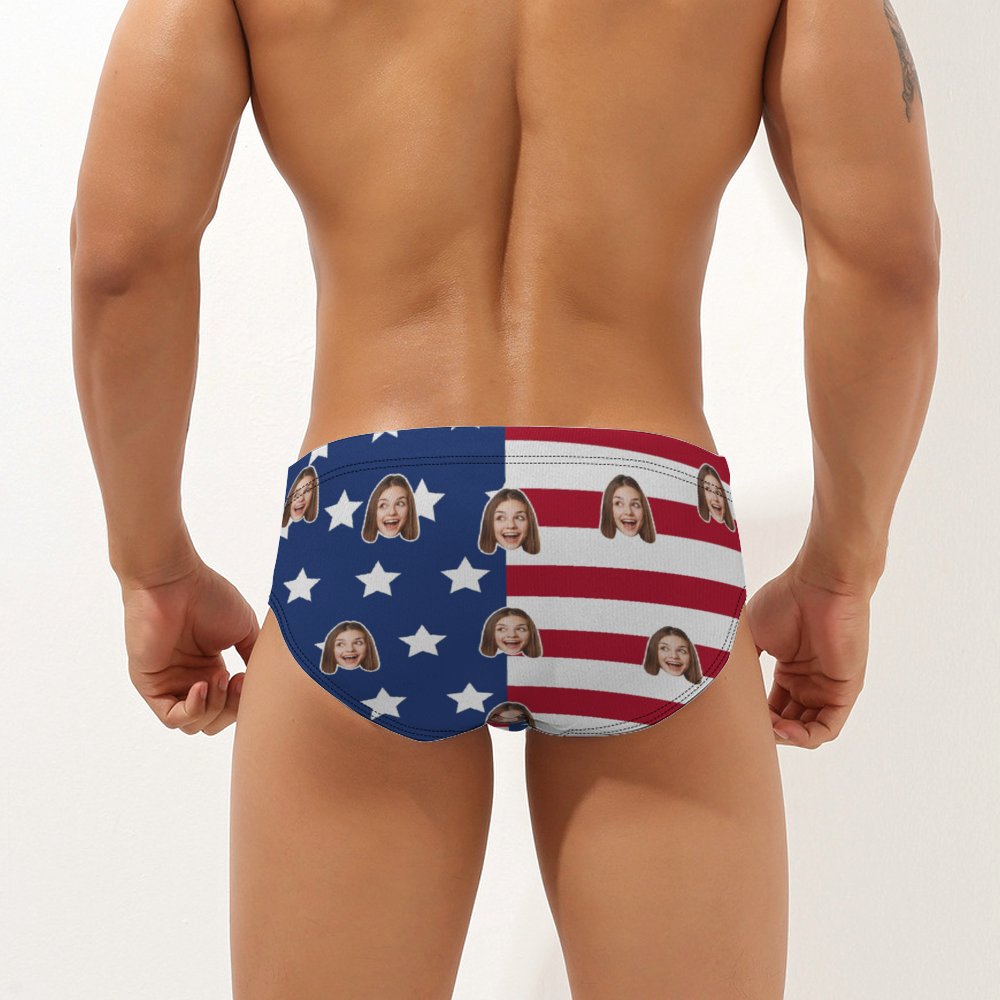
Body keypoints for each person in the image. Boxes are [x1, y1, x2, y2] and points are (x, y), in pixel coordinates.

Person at [69, 0, 939, 995]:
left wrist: (154, 566)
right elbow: (890, 263)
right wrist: (839, 571)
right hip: (643, 530)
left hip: (374, 525)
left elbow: (121, 258)